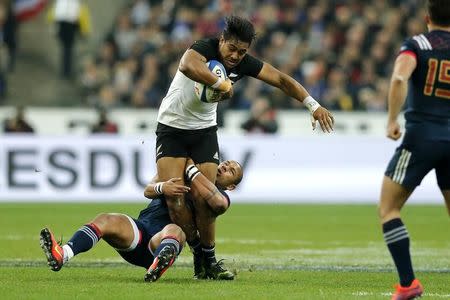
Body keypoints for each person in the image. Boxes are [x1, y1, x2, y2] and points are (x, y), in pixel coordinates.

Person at [155, 15, 335, 279]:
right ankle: (198, 255)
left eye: (243, 52)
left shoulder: (242, 63)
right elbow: (186, 65)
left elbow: (281, 80)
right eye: (232, 49)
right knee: (175, 199)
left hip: (204, 131)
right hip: (172, 126)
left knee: (205, 200)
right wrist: (220, 83)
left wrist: (313, 105)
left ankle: (210, 261)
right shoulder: (204, 48)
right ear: (222, 40)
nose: (236, 56)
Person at [39, 159, 242, 282]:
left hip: (162, 240)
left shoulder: (218, 199)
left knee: (174, 229)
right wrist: (163, 188)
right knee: (106, 219)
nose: (224, 167)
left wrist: (191, 169)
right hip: (141, 231)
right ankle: (62, 254)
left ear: (231, 186)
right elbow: (148, 190)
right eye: (225, 163)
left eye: (230, 170)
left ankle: (159, 263)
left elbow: (219, 203)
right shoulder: (177, 171)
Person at [378, 1, 450, 299]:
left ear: (426, 16)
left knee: (389, 208)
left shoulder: (417, 44)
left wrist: (393, 119)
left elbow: (398, 78)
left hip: (421, 138)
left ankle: (408, 284)